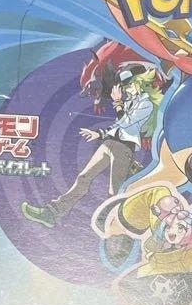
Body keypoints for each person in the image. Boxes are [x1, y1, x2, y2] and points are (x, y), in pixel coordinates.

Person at [22, 68, 159, 229]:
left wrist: (117, 102)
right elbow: (117, 126)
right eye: (124, 86)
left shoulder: (146, 104)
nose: (126, 90)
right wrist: (98, 134)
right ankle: (52, 213)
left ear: (139, 83)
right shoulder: (129, 103)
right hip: (109, 143)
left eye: (129, 86)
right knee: (84, 177)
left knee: (114, 190)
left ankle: (115, 226)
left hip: (124, 148)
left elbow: (126, 121)